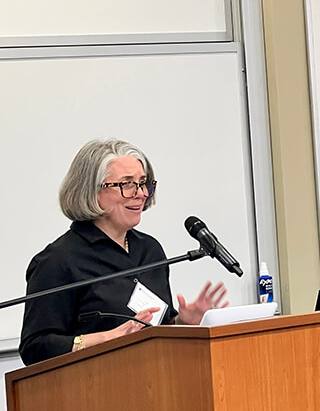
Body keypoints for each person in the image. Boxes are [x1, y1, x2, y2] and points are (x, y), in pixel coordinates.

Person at [19, 139, 228, 365]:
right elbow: (35, 348)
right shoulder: (58, 260)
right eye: (127, 184)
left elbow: (156, 328)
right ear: (92, 191)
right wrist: (109, 338)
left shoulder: (150, 250)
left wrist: (182, 323)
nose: (140, 194)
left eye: (143, 183)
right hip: (92, 388)